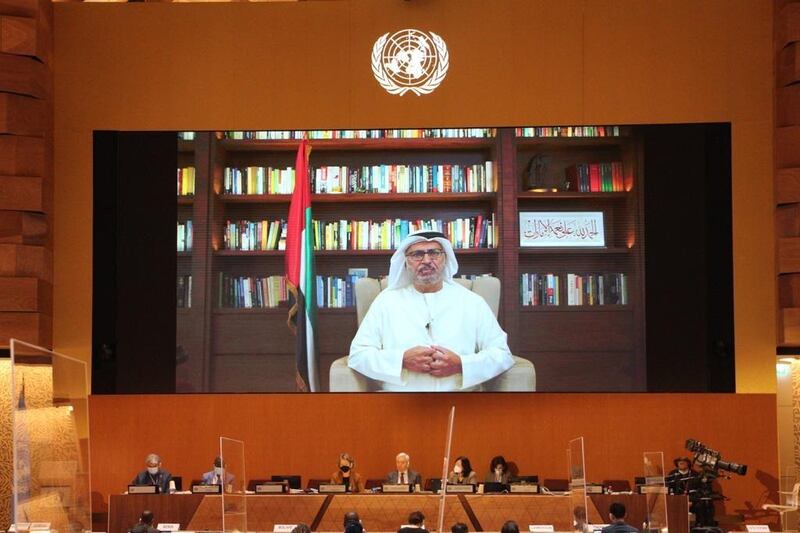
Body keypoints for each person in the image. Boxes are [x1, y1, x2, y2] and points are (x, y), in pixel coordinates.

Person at [348, 230, 515, 391]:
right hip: (400, 402)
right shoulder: (386, 302)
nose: (427, 260)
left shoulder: (472, 302)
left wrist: (461, 365)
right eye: (417, 254)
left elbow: (501, 354)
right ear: (405, 262)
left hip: (461, 402)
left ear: (445, 258)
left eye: (434, 253)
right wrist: (401, 361)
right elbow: (358, 356)